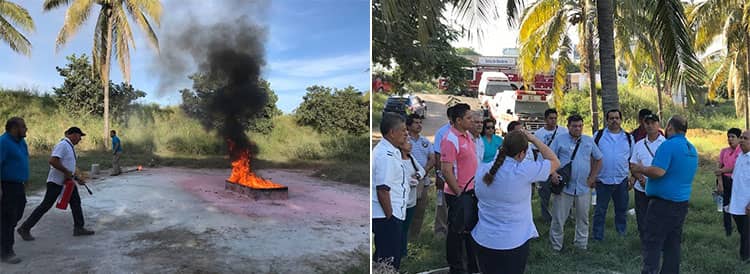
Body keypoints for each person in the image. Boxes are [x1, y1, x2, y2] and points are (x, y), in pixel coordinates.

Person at [471, 130, 560, 274]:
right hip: (512, 242)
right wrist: (534, 140)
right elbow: (555, 162)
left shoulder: (483, 169)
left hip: (484, 239)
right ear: (521, 154)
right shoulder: (524, 171)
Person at [631, 115, 698, 274]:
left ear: (669, 128)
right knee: (672, 243)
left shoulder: (668, 146)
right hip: (681, 204)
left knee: (652, 242)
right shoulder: (691, 148)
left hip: (663, 204)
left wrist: (641, 169)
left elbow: (658, 171)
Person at [17, 127, 95, 242]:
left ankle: (79, 227)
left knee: (76, 202)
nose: (80, 139)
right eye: (79, 136)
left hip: (66, 183)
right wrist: (66, 172)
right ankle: (25, 228)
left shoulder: (70, 147)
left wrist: (77, 177)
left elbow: (69, 166)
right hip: (56, 182)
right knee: (45, 206)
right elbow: (53, 161)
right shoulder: (63, 145)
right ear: (72, 135)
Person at [549, 114, 603, 251]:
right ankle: (555, 247)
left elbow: (599, 159)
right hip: (564, 186)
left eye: (580, 126)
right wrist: (553, 174)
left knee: (583, 218)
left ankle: (581, 246)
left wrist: (592, 177)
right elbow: (549, 158)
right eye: (574, 126)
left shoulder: (589, 141)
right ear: (568, 127)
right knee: (558, 219)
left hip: (583, 187)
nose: (577, 129)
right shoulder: (559, 140)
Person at [440, 103, 479, 274]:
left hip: (472, 192)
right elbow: (446, 170)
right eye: (468, 118)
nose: (472, 121)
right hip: (459, 194)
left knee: (470, 231)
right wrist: (459, 194)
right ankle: (455, 268)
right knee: (456, 233)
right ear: (458, 120)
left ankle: (472, 266)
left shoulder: (467, 135)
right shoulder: (450, 139)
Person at [372, 112, 409, 270]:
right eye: (403, 130)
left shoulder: (392, 150)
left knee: (388, 259)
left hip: (393, 213)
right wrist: (390, 216)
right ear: (392, 133)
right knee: (388, 262)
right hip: (387, 216)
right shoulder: (385, 155)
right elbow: (382, 190)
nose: (406, 133)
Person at [592, 109, 634, 241]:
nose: (614, 120)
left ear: (621, 120)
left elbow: (632, 159)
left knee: (621, 210)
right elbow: (591, 157)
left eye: (617, 118)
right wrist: (591, 176)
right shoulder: (598, 136)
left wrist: (632, 177)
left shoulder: (628, 138)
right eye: (611, 118)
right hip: (602, 180)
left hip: (621, 180)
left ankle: (621, 234)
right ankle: (597, 236)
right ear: (607, 120)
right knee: (600, 211)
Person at [629, 113, 666, 245]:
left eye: (653, 123)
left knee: (659, 218)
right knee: (642, 218)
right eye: (647, 123)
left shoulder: (665, 144)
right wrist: (640, 179)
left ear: (658, 124)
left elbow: (668, 168)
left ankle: (659, 244)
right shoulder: (639, 144)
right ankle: (645, 244)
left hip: (659, 188)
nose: (650, 126)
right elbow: (633, 165)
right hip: (641, 188)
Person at [0, 117, 28, 264]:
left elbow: (24, 160)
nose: (26, 129)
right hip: (7, 185)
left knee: (17, 213)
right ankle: (6, 252)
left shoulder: (21, 142)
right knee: (8, 218)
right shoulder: (3, 142)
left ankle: (4, 235)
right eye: (23, 126)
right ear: (14, 128)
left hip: (18, 185)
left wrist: (25, 180)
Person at [534, 109, 568, 222]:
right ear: (545, 119)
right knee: (544, 194)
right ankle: (546, 218)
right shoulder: (539, 133)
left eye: (555, 118)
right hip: (543, 168)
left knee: (562, 193)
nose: (553, 121)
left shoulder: (563, 131)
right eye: (550, 118)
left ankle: (563, 216)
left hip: (559, 167)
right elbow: (535, 151)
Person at [406, 114, 435, 239]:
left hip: (423, 180)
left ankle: (414, 237)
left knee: (420, 210)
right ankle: (403, 235)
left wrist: (424, 170)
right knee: (407, 209)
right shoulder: (404, 140)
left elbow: (432, 158)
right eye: (416, 122)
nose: (419, 125)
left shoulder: (425, 141)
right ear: (408, 125)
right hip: (408, 181)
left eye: (420, 122)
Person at [399, 140, 425, 258]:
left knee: (405, 228)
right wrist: (410, 181)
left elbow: (422, 170)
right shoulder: (397, 160)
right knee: (399, 228)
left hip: (411, 200)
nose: (410, 144)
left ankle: (403, 252)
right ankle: (397, 252)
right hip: (401, 200)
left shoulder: (411, 158)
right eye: (407, 142)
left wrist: (418, 175)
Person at [716, 128, 743, 236]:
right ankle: (728, 230)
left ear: (739, 139)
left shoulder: (742, 152)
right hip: (724, 180)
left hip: (736, 182)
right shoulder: (724, 151)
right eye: (729, 137)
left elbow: (736, 167)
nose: (730, 139)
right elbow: (719, 167)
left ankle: (742, 229)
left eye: (733, 137)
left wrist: (722, 170)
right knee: (724, 205)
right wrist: (720, 183)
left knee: (737, 206)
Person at [728, 130, 750, 261]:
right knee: (743, 232)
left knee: (747, 234)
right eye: (741, 137)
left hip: (747, 205)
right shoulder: (741, 156)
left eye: (745, 138)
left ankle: (745, 259)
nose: (741, 140)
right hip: (737, 202)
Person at [434, 105, 455, 237]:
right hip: (444, 173)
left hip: (459, 175)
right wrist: (439, 174)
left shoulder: (466, 133)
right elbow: (437, 154)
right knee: (441, 203)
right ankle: (440, 229)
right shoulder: (442, 132)